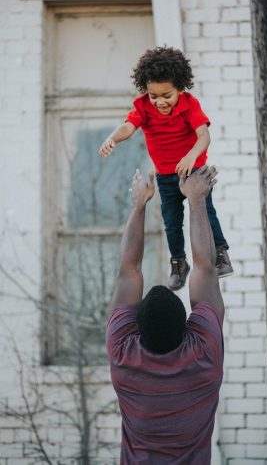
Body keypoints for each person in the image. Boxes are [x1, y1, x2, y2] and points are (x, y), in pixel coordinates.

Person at [106, 165, 225, 465]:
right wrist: (196, 200)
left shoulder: (123, 356)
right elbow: (205, 269)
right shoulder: (204, 356)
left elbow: (127, 271)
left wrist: (139, 203)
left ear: (137, 332)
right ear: (187, 328)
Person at [99, 46, 233, 290]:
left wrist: (192, 156)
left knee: (206, 211)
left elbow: (204, 136)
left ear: (181, 88)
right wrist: (112, 138)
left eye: (167, 95)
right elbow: (128, 127)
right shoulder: (143, 107)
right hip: (165, 175)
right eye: (154, 95)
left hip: (193, 171)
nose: (160, 101)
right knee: (171, 221)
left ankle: (220, 253)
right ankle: (179, 263)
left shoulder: (190, 106)